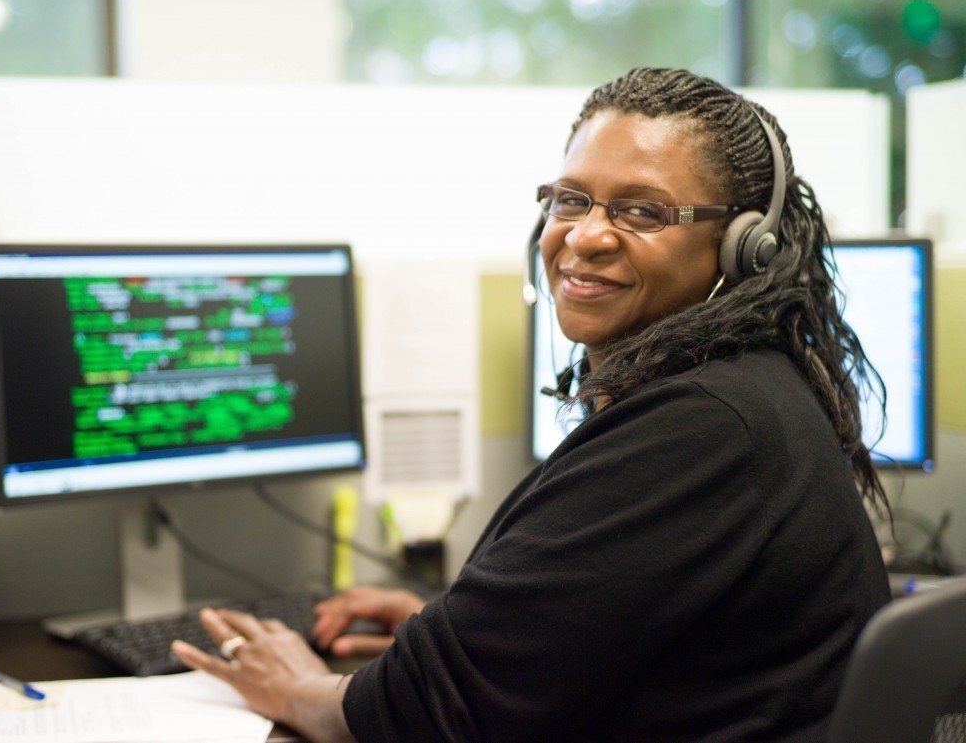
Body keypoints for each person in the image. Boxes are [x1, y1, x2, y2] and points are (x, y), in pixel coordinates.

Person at [172, 67, 892, 741]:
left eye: (642, 210)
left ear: (743, 248)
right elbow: (598, 625)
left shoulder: (707, 425)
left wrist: (298, 687)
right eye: (570, 199)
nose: (583, 235)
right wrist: (459, 626)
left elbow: (433, 713)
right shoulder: (734, 389)